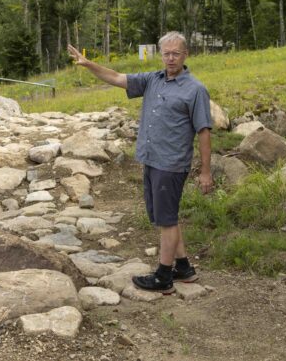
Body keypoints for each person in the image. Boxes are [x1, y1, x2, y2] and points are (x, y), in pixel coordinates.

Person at [67, 31, 213, 294]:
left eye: (175, 53)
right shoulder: (151, 80)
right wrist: (88, 64)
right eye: (166, 53)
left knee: (167, 220)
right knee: (164, 217)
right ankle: (183, 268)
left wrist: (205, 171)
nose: (170, 58)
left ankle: (163, 277)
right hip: (151, 159)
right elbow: (114, 77)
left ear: (185, 55)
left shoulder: (195, 89)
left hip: (171, 164)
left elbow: (204, 131)